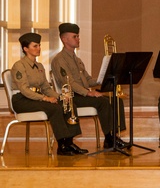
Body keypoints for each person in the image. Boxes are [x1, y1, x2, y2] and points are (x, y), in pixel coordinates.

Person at [9, 32, 87, 156]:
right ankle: (62, 146)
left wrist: (60, 97)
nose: (39, 48)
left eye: (39, 45)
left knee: (69, 104)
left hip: (36, 99)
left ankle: (69, 142)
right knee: (54, 109)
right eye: (35, 46)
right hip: (22, 100)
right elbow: (24, 90)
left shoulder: (39, 66)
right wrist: (45, 98)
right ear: (25, 49)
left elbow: (45, 87)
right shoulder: (19, 65)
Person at [50, 22, 126, 150]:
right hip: (73, 97)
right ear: (64, 39)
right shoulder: (59, 60)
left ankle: (113, 135)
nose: (78, 39)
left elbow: (87, 80)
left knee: (116, 100)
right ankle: (109, 138)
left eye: (78, 36)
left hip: (82, 95)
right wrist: (89, 93)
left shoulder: (77, 59)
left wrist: (102, 79)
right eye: (75, 36)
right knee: (102, 101)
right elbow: (69, 83)